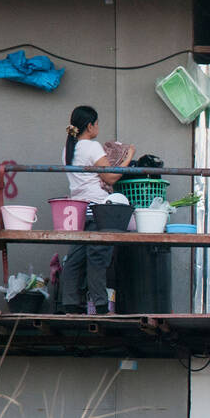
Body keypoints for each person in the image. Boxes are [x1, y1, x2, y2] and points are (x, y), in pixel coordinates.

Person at [59, 105, 134, 314]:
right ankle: (101, 306)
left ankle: (70, 304)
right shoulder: (92, 147)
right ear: (90, 126)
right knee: (98, 258)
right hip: (98, 211)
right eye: (97, 123)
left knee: (75, 258)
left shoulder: (68, 149)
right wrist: (128, 156)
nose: (98, 127)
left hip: (78, 210)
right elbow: (110, 177)